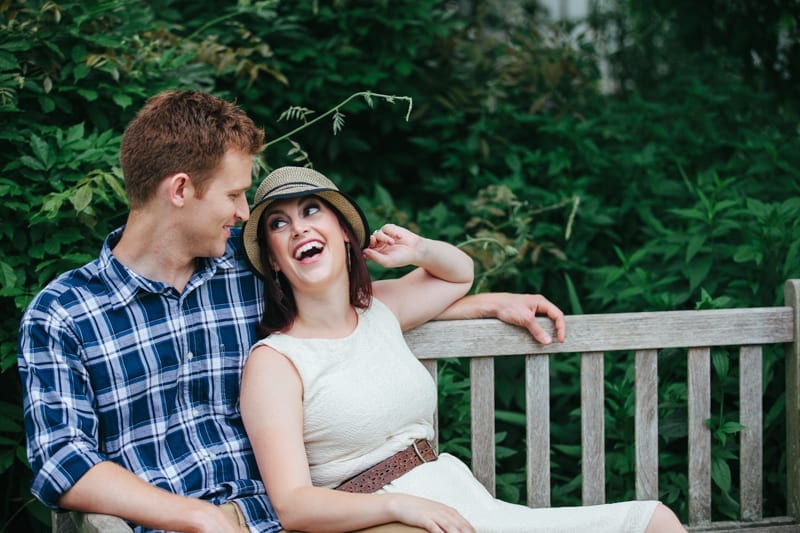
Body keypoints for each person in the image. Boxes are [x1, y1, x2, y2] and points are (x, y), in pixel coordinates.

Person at [17, 90, 567, 533]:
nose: (242, 212)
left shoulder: (244, 274)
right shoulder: (65, 313)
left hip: (285, 518)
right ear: (180, 189)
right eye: (234, 196)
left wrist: (483, 305)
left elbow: (336, 313)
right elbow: (62, 461)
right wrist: (194, 515)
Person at [239, 166, 687, 533]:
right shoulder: (276, 362)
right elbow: (293, 505)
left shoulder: (379, 310)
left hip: (457, 498)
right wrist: (399, 507)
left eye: (311, 211)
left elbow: (457, 275)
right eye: (280, 224)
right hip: (376, 521)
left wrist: (418, 249)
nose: (299, 228)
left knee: (653, 523)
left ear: (342, 233)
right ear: (274, 259)